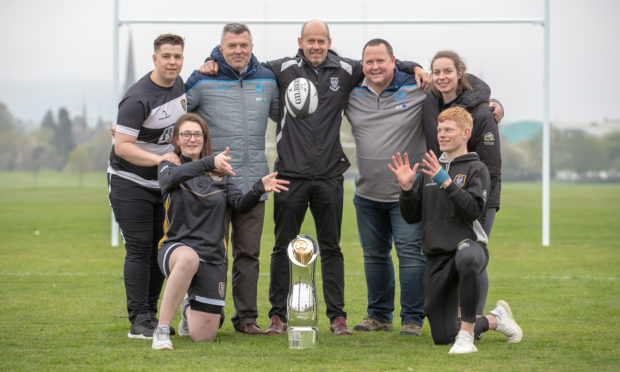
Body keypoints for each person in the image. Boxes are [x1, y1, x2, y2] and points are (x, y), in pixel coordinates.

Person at [201, 19, 426, 336]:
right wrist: (214, 55)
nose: (316, 46)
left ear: (329, 41)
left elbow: (383, 66)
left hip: (329, 176)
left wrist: (413, 66)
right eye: (311, 41)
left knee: (331, 248)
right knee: (282, 247)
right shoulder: (280, 68)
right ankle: (278, 316)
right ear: (300, 41)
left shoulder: (347, 70)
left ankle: (338, 317)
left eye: (322, 41)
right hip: (289, 176)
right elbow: (243, 60)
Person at [389, 107, 522, 354]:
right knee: (442, 336)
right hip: (437, 257)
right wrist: (406, 189)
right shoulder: (429, 169)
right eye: (439, 130)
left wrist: (447, 182)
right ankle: (496, 319)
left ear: (465, 133)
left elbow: (473, 210)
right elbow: (411, 217)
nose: (442, 135)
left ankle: (467, 337)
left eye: (448, 129)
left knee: (466, 255)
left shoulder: (476, 168)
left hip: (469, 247)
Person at [151, 113, 289, 350]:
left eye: (197, 134)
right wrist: (209, 162)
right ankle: (162, 331)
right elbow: (169, 181)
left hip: (213, 257)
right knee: (188, 258)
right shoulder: (169, 165)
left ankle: (188, 309)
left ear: (205, 139)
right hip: (175, 249)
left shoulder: (220, 174)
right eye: (186, 134)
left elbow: (239, 205)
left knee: (204, 336)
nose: (192, 139)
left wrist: (257, 189)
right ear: (177, 140)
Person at [184, 23, 279, 335]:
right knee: (211, 254)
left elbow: (290, 117)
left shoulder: (267, 79)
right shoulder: (202, 78)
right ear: (220, 48)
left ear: (251, 47)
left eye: (244, 45)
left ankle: (247, 319)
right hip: (212, 186)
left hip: (254, 184)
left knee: (248, 255)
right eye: (232, 46)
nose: (238, 51)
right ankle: (205, 312)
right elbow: (178, 120)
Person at [344, 39, 426, 336]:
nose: (375, 67)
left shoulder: (419, 88)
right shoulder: (351, 92)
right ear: (361, 64)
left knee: (410, 254)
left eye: (381, 61)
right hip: (366, 193)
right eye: (369, 62)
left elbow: (463, 85)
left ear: (394, 61)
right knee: (374, 255)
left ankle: (413, 320)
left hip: (406, 194)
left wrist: (496, 105)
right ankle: (378, 316)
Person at [107, 34, 186, 339]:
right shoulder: (137, 97)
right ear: (155, 59)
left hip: (161, 185)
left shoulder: (180, 86)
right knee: (139, 248)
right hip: (130, 182)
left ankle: (152, 315)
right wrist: (160, 159)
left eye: (177, 56)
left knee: (159, 249)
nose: (172, 62)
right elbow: (123, 146)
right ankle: (138, 319)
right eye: (166, 56)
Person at [422, 50, 503, 324]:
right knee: (450, 253)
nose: (442, 77)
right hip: (443, 189)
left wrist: (480, 201)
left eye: (448, 71)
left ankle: (475, 318)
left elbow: (490, 167)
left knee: (471, 252)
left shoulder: (481, 109)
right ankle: (458, 315)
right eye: (437, 72)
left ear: (460, 74)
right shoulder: (429, 102)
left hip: (478, 196)